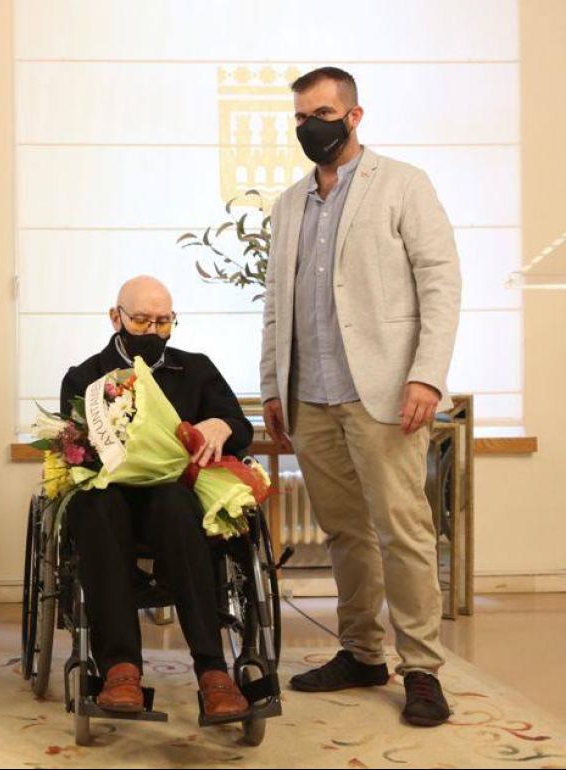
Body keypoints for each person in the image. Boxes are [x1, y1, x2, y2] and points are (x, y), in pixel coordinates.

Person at [259, 66, 461, 726]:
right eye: (299, 117)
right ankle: (362, 651)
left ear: (353, 115)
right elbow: (274, 308)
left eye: (320, 112)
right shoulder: (290, 204)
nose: (308, 126)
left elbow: (440, 282)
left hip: (384, 392)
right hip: (308, 396)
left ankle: (422, 667)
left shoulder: (403, 185)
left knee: (402, 529)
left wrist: (427, 374)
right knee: (344, 531)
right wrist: (272, 389)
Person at [59, 275, 252, 720]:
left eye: (163, 323)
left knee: (175, 504)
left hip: (173, 501)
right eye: (142, 320)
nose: (152, 332)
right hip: (112, 498)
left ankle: (213, 671)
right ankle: (120, 669)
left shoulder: (196, 368)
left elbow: (238, 427)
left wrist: (222, 424)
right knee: (94, 505)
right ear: (116, 317)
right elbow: (73, 447)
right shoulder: (85, 376)